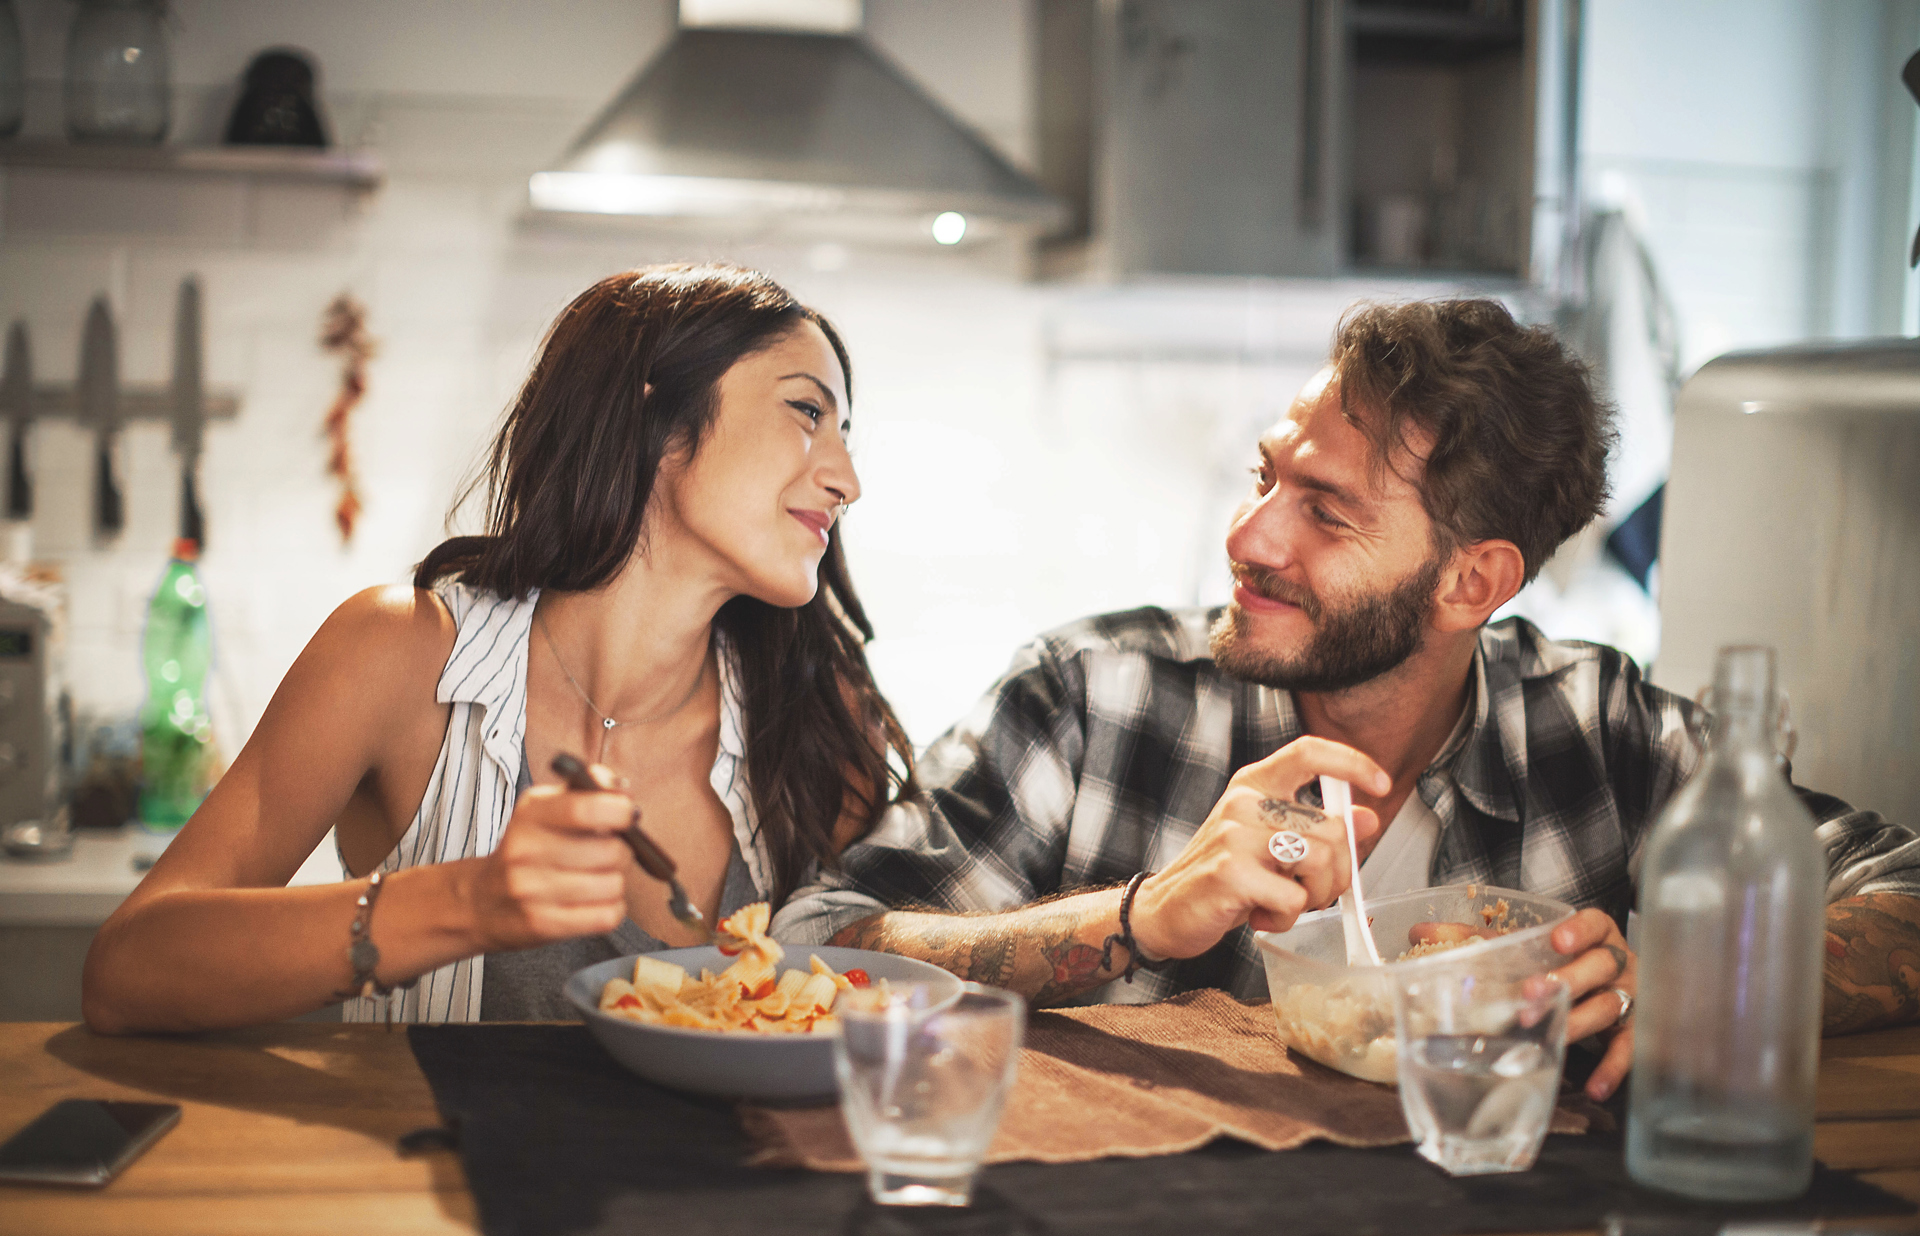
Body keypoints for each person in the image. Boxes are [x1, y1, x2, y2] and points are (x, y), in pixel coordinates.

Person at [772, 298, 1920, 1105]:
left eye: (1327, 511)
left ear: (1476, 580)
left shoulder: (1598, 727)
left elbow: (1905, 883)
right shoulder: (1093, 696)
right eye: (1268, 474)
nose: (1249, 534)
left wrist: (1696, 982)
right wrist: (1130, 917)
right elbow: (813, 945)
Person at [84, 264, 912, 1031]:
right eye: (808, 413)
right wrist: (468, 902)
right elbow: (127, 971)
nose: (848, 478)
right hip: (436, 1186)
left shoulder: (817, 724)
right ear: (653, 415)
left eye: (846, 430)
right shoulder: (398, 656)